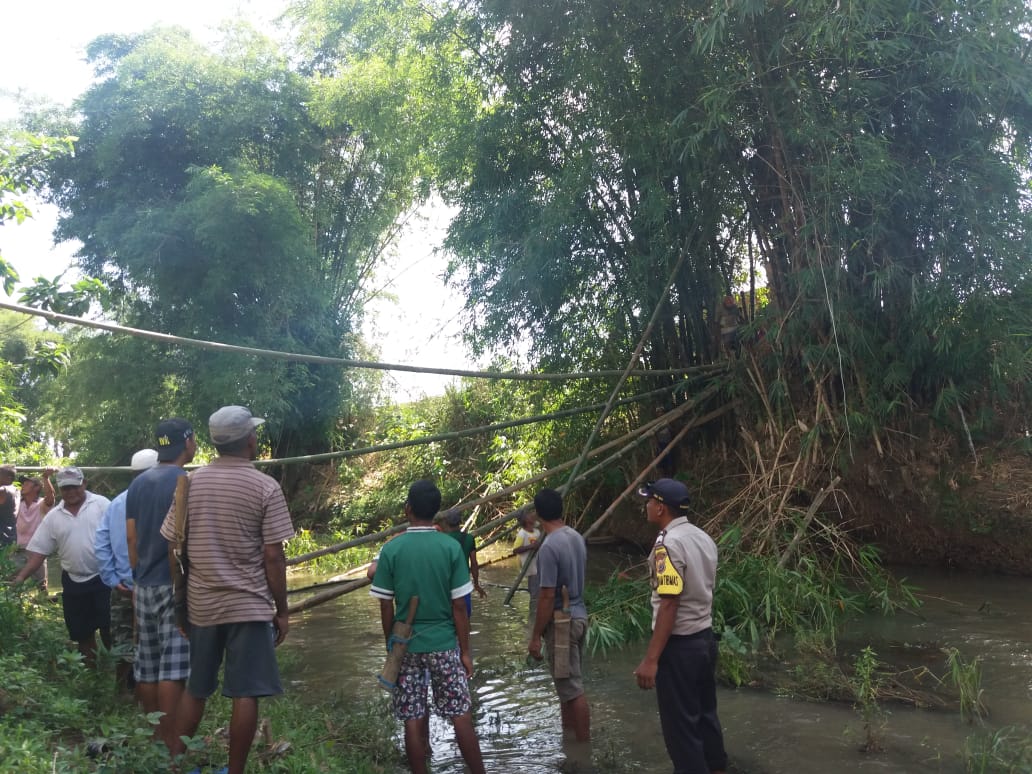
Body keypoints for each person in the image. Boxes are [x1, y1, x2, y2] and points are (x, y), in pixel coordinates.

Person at [160, 406, 293, 774]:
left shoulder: (191, 484)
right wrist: (281, 610)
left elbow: (174, 550)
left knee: (196, 687)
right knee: (245, 691)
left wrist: (180, 605)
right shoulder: (265, 486)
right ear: (250, 440)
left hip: (202, 606)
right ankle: (235, 771)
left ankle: (175, 765)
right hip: (249, 607)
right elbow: (273, 557)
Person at [369, 480, 485, 774]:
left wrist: (391, 645)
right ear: (436, 513)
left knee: (412, 717)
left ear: (408, 509)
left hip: (406, 646)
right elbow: (460, 607)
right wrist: (466, 652)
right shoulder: (450, 547)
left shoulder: (391, 550)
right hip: (445, 644)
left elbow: (386, 605)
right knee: (460, 713)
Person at [633, 479, 728, 774]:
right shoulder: (703, 537)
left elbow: (670, 603)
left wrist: (651, 660)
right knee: (705, 719)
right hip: (705, 640)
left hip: (680, 648)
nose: (646, 506)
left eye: (649, 501)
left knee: (681, 733)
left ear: (660, 507)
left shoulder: (667, 545)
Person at [127, 418, 195, 747]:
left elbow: (131, 537)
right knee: (174, 666)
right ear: (188, 441)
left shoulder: (138, 484)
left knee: (148, 662)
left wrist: (138, 572)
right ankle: (171, 745)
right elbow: (184, 541)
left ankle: (154, 738)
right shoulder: (185, 482)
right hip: (173, 583)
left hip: (143, 583)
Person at [12, 467, 112, 666]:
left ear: (83, 484)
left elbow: (122, 538)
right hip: (73, 580)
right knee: (81, 631)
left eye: (75, 487)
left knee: (111, 628)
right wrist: (21, 577)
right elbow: (39, 552)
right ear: (60, 489)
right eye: (66, 488)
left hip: (106, 577)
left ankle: (118, 676)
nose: (71, 492)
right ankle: (92, 674)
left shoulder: (102, 505)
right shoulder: (54, 516)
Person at [527, 488, 591, 742]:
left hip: (562, 622)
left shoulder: (549, 546)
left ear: (540, 514)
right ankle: (570, 743)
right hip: (579, 614)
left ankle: (583, 752)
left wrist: (535, 637)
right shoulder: (575, 536)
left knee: (572, 689)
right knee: (566, 685)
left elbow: (546, 596)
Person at [96, 448, 160, 694]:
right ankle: (149, 697)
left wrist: (113, 580)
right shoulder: (166, 499)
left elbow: (101, 544)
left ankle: (126, 694)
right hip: (157, 586)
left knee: (124, 642)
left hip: (124, 586)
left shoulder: (117, 502)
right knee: (156, 641)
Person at [440, 508, 485, 617]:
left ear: (446, 522)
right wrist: (476, 584)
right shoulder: (469, 539)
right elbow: (474, 563)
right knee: (464, 618)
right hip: (463, 583)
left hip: (446, 585)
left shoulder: (443, 539)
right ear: (460, 521)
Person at [15, 471, 56, 590]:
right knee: (12, 582)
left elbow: (51, 497)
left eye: (27, 483)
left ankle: (43, 606)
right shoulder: (17, 502)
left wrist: (45, 477)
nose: (23, 486)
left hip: (36, 550)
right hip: (17, 549)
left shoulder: (41, 503)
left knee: (41, 584)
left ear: (36, 487)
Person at [513, 510, 541, 622]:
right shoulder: (522, 534)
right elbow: (516, 550)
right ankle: (533, 617)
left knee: (539, 590)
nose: (532, 516)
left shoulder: (537, 532)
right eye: (529, 516)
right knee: (534, 592)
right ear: (525, 520)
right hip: (530, 566)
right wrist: (531, 547)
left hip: (538, 565)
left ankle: (537, 614)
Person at [0, 463, 20, 547]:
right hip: (10, 533)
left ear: (8, 478)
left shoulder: (3, 490)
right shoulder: (16, 490)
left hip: (2, 535)